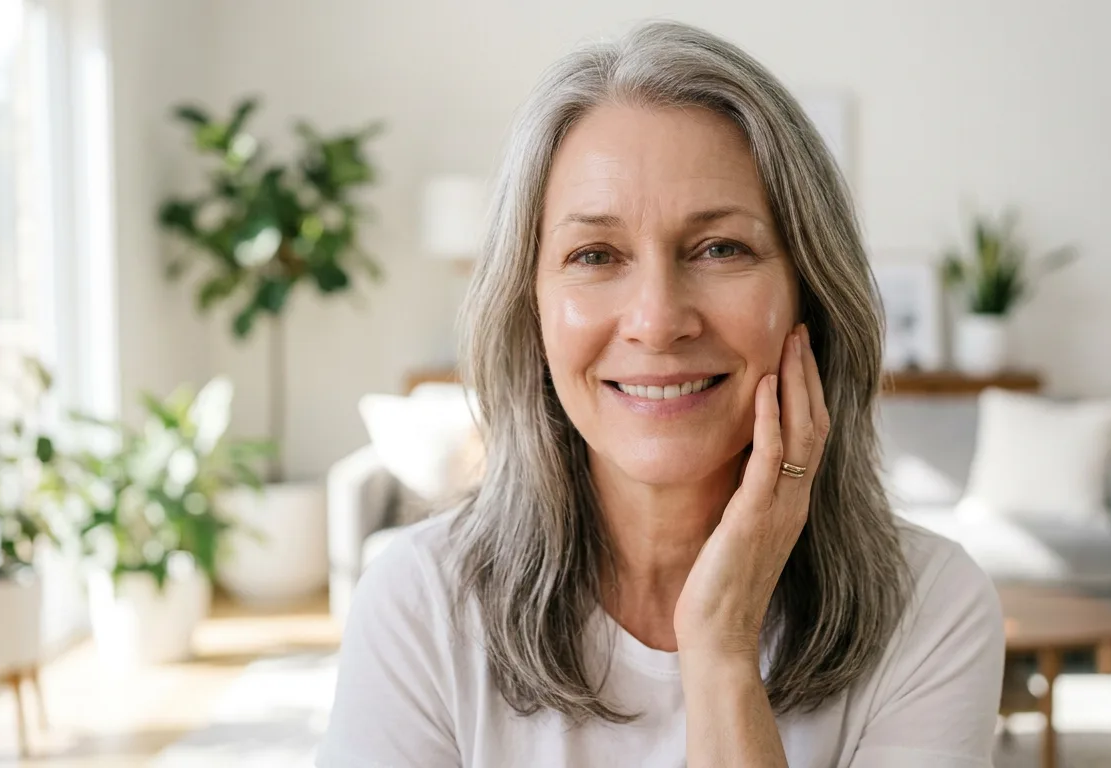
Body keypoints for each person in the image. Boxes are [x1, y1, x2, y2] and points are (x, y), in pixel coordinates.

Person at [318, 19, 1004, 768]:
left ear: (810, 293)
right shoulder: (417, 606)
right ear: (532, 309)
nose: (656, 320)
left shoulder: (932, 610)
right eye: (595, 254)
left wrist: (722, 648)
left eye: (719, 248)